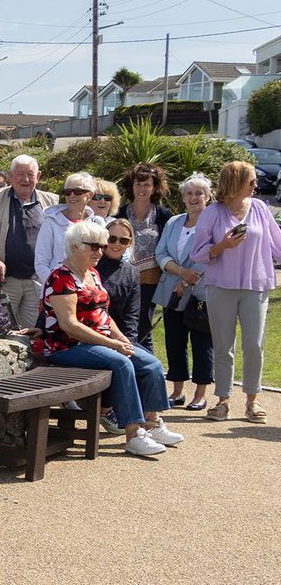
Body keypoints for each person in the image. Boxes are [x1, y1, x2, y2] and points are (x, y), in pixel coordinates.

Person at [38, 221, 183, 456]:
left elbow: (102, 314)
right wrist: (111, 344)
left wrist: (122, 339)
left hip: (97, 341)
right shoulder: (61, 277)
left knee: (151, 363)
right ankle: (133, 434)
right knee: (122, 363)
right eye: (93, 246)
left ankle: (152, 424)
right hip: (68, 345)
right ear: (75, 247)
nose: (99, 251)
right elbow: (69, 325)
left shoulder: (91, 273)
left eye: (101, 246)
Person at [192, 161, 281, 423]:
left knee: (254, 345)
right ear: (235, 182)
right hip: (221, 287)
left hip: (256, 286)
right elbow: (198, 253)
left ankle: (252, 401)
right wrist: (222, 246)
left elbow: (278, 244)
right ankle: (223, 400)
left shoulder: (261, 209)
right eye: (251, 181)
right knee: (223, 346)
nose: (256, 185)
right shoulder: (211, 213)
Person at [0, 154, 59, 329]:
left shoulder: (51, 202)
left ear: (39, 176)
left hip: (36, 281)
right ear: (11, 177)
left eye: (30, 174)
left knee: (34, 335)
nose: (25, 179)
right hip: (3, 282)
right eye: (20, 174)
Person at [154, 173, 213, 410]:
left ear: (208, 196)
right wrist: (180, 272)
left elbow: (210, 257)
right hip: (171, 291)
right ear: (183, 197)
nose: (194, 197)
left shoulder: (212, 223)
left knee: (202, 343)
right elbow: (161, 253)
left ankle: (200, 394)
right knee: (174, 342)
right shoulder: (173, 222)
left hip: (200, 293)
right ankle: (177, 391)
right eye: (189, 193)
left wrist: (188, 280)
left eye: (199, 193)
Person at [117, 163, 173, 352]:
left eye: (147, 184)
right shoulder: (121, 213)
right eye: (138, 184)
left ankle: (148, 372)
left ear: (155, 187)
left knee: (143, 328)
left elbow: (169, 247)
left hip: (149, 282)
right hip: (122, 280)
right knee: (121, 326)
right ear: (131, 186)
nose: (142, 189)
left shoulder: (162, 215)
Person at [34, 172, 107, 285]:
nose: (72, 195)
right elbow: (41, 262)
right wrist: (56, 286)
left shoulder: (97, 223)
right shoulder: (50, 223)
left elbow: (99, 259)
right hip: (57, 290)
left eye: (78, 191)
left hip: (88, 288)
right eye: (68, 192)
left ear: (90, 195)